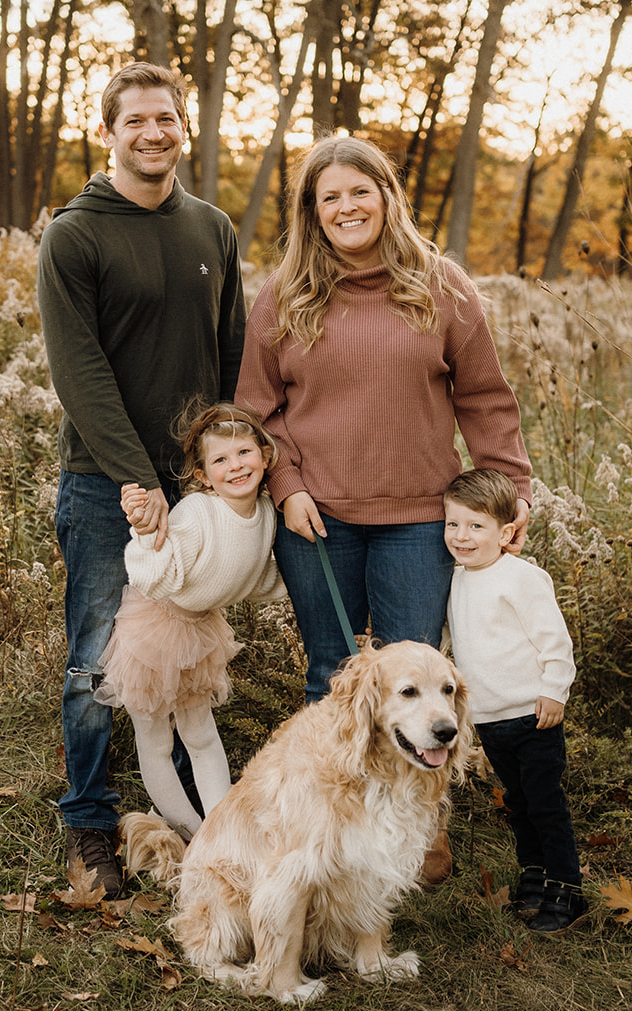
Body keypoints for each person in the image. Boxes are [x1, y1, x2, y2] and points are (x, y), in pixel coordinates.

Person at [37, 62, 245, 898]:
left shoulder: (211, 228)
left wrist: (223, 465)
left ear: (180, 128)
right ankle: (89, 822)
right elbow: (77, 370)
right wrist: (134, 478)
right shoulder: (75, 234)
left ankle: (204, 811)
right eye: (136, 121)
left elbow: (229, 352)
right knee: (94, 661)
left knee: (185, 652)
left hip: (194, 488)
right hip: (102, 484)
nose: (153, 133)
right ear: (109, 132)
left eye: (166, 119)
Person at [235, 135, 532, 708]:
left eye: (360, 192)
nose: (347, 207)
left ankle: (409, 800)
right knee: (331, 674)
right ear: (312, 212)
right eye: (330, 198)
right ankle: (334, 798)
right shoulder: (285, 295)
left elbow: (485, 399)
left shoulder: (442, 286)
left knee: (414, 677)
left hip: (421, 520)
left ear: (387, 197)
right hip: (317, 518)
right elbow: (257, 409)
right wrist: (286, 487)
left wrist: (510, 490)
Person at [94, 402, 284, 839]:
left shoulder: (267, 514)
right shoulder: (198, 514)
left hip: (199, 628)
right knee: (157, 739)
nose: (235, 467)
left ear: (265, 455)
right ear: (201, 475)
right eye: (220, 460)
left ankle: (219, 832)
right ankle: (192, 834)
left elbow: (257, 575)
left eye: (244, 453)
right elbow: (154, 575)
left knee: (200, 734)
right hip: (154, 627)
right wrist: (144, 533)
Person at [443, 468, 586, 933]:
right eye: (453, 524)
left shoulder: (521, 577)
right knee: (518, 803)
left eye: (475, 526)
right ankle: (534, 876)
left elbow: (555, 641)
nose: (462, 537)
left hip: (532, 716)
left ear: (506, 533)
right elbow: (456, 640)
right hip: (489, 720)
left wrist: (554, 691)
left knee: (546, 803)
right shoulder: (457, 580)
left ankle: (566, 890)